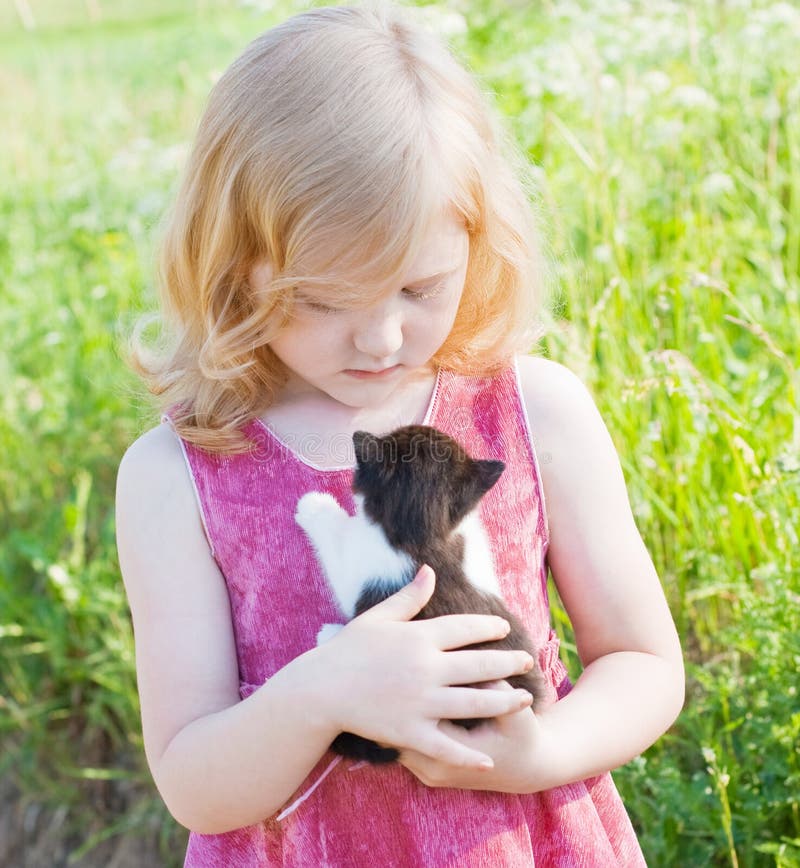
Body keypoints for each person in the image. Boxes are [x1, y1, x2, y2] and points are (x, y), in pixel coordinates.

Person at [115, 2, 684, 865]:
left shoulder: (534, 412)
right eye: (324, 300)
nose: (379, 339)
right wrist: (324, 693)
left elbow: (643, 662)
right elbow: (193, 780)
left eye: (420, 289)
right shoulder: (181, 473)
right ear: (231, 266)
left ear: (478, 241)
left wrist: (539, 754)